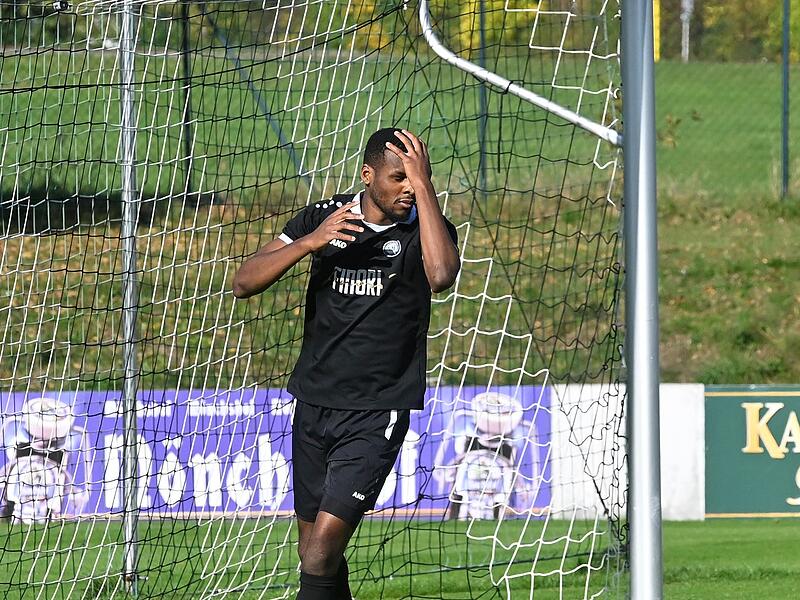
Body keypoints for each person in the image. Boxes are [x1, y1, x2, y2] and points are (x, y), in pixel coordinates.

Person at [232, 128, 460, 599]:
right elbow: (243, 282)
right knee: (314, 555)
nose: (409, 189)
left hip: (377, 410)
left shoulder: (427, 227)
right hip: (314, 404)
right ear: (368, 174)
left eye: (418, 179)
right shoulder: (324, 219)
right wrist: (309, 243)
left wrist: (425, 188)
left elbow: (440, 276)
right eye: (400, 177)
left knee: (321, 552)